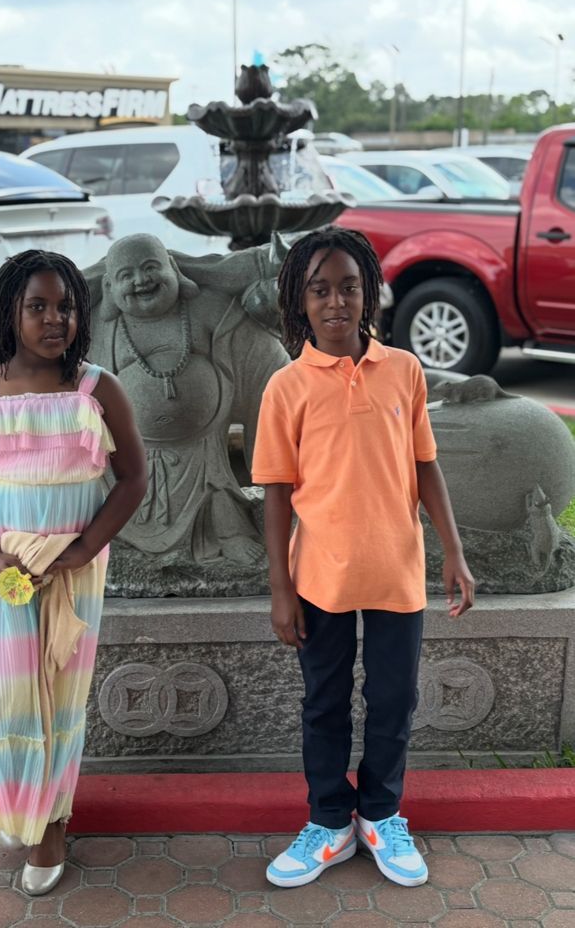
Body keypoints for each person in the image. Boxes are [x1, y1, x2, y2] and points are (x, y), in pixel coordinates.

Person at [251, 226, 474, 890]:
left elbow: (424, 466)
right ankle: (329, 821)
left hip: (396, 571)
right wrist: (280, 588)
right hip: (319, 575)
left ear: (369, 291)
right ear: (298, 303)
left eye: (348, 287)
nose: (336, 303)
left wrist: (452, 553)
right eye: (318, 291)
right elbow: (276, 496)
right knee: (323, 702)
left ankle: (379, 814)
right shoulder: (285, 388)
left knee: (392, 700)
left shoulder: (403, 370)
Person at [0, 250, 146, 896]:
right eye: (37, 306)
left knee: (59, 699)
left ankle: (52, 825)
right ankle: (14, 808)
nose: (54, 319)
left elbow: (133, 479)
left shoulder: (98, 390)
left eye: (64, 306)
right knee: (3, 696)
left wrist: (84, 548)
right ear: (10, 312)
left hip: (69, 572)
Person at [87, 233, 288, 566]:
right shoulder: (99, 329)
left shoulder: (209, 310)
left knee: (219, 501)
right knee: (118, 509)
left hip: (204, 452)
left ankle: (228, 535)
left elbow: (261, 358)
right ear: (109, 289)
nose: (141, 281)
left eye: (151, 268)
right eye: (126, 276)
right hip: (132, 461)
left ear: (175, 271)